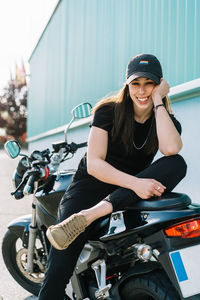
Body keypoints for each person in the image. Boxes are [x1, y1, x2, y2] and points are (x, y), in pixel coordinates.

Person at [38, 53, 187, 300]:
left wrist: (159, 100)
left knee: (177, 163)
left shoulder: (164, 120)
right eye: (135, 84)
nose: (142, 91)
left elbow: (171, 150)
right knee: (57, 275)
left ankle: (93, 215)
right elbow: (95, 164)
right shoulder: (109, 111)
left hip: (127, 193)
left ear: (159, 84)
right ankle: (86, 215)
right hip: (90, 191)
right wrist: (136, 183)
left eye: (149, 84)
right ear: (127, 85)